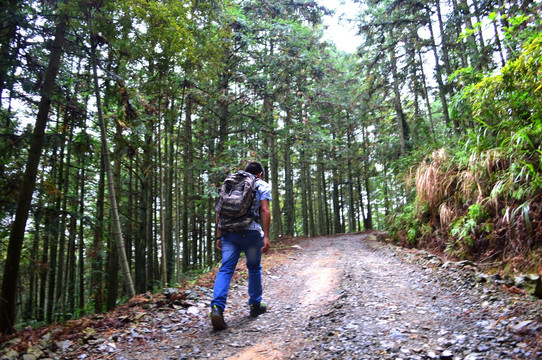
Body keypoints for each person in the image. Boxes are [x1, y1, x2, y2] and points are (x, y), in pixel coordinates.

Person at [210, 161, 272, 330]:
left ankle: (217, 308)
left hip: (229, 233)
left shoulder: (230, 183)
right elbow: (265, 210)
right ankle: (254, 305)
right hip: (251, 234)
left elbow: (219, 211)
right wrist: (266, 236)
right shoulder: (260, 184)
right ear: (259, 174)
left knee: (226, 269)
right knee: (253, 267)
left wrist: (219, 236)